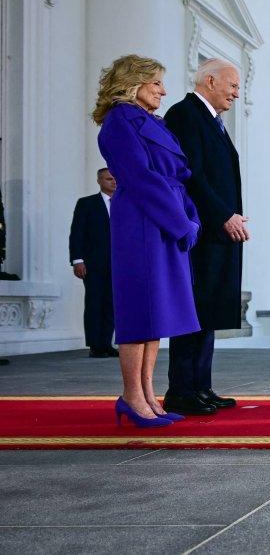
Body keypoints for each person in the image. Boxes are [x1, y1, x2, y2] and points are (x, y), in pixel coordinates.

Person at [93, 54, 202, 428]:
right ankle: (132, 397)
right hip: (142, 220)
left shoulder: (150, 121)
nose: (163, 90)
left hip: (164, 217)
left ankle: (147, 396)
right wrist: (179, 222)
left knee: (156, 312)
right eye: (156, 82)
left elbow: (177, 176)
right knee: (140, 311)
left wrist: (190, 217)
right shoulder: (121, 120)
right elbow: (140, 178)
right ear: (134, 81)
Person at [163, 58, 246, 416]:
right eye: (232, 85)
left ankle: (201, 386)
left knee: (208, 311)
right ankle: (181, 390)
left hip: (218, 231)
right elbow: (191, 175)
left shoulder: (212, 121)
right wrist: (223, 214)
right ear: (210, 80)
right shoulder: (184, 114)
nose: (236, 93)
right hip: (201, 231)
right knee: (194, 310)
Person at [69, 168, 119, 357]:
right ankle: (95, 346)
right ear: (99, 181)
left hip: (119, 265)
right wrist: (77, 260)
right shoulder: (86, 204)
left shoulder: (124, 203)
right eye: (108, 179)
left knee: (112, 304)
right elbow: (77, 233)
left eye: (115, 178)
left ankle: (106, 343)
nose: (113, 182)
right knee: (94, 302)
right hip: (93, 264)